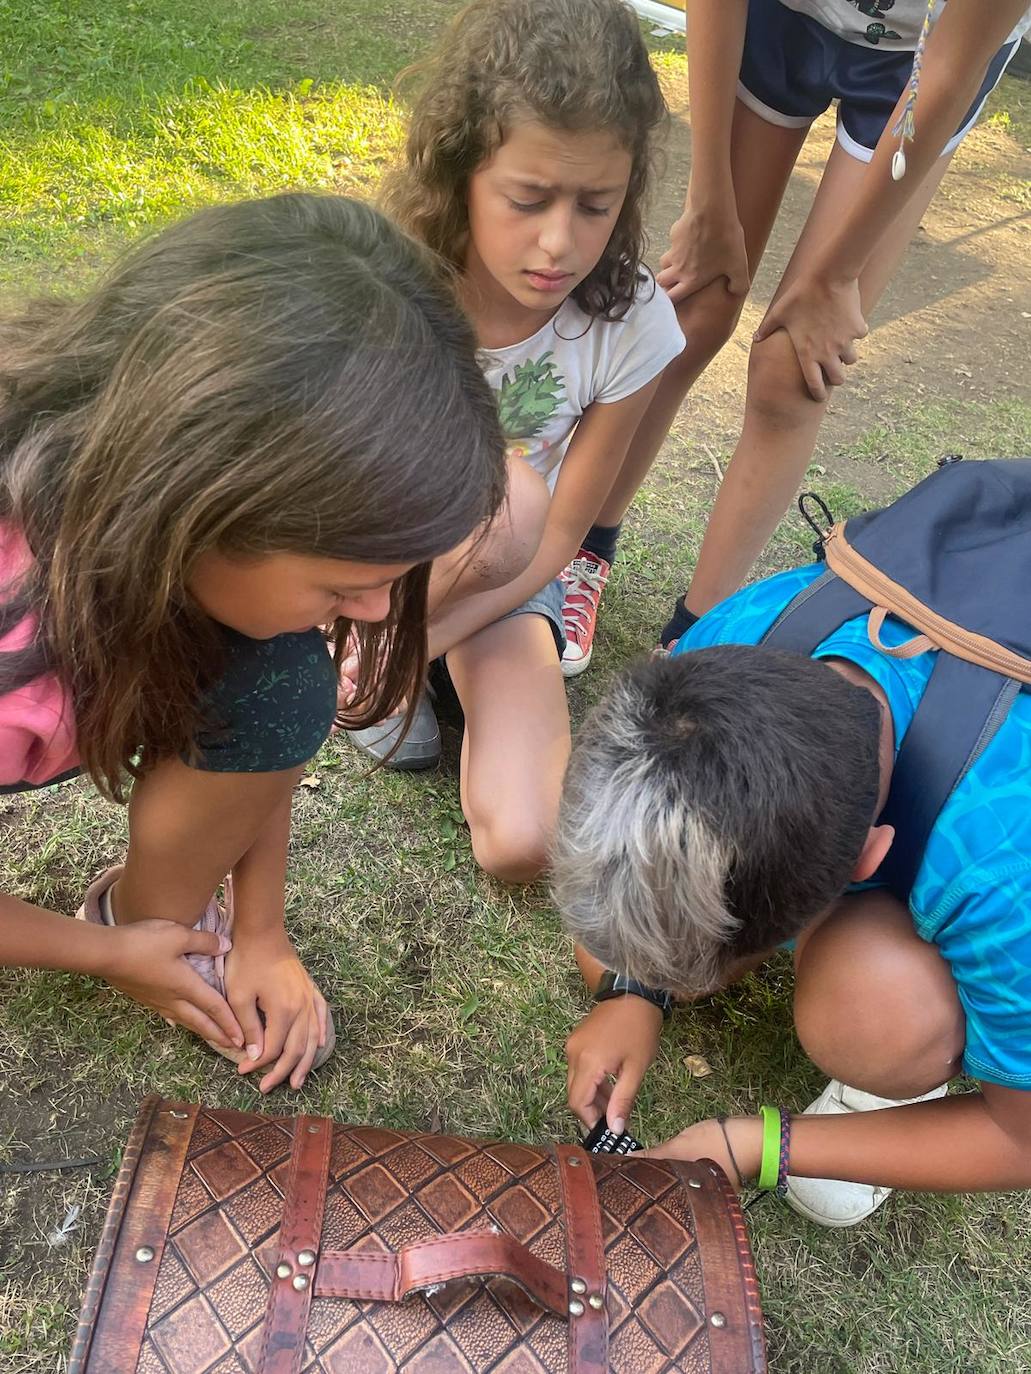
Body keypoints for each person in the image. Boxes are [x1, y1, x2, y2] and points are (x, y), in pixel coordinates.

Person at [0, 192, 508, 1093]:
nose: (375, 612)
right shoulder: (15, 664)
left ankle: (162, 920)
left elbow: (272, 725)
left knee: (282, 675)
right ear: (203, 503)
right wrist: (100, 954)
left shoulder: (177, 537)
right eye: (343, 584)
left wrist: (262, 928)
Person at [557, 537, 1031, 1225]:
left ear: (866, 863)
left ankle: (901, 1074)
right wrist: (631, 991)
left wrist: (758, 1145)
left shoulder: (1001, 867)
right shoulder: (728, 641)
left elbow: (1018, 1139)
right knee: (620, 947)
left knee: (876, 1021)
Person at [344, 0, 685, 882]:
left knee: (525, 844)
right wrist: (375, 609)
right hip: (375, 559)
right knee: (489, 502)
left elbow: (562, 535)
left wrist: (415, 643)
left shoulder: (633, 323)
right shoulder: (389, 281)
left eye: (595, 205)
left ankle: (393, 666)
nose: (557, 242)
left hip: (512, 569)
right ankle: (365, 648)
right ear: (461, 172)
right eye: (527, 199)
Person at [570, 0, 1031, 653]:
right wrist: (707, 202)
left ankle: (698, 641)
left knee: (795, 370)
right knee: (695, 305)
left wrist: (834, 279)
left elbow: (949, 70)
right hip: (779, 17)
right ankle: (579, 550)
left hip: (922, 68)